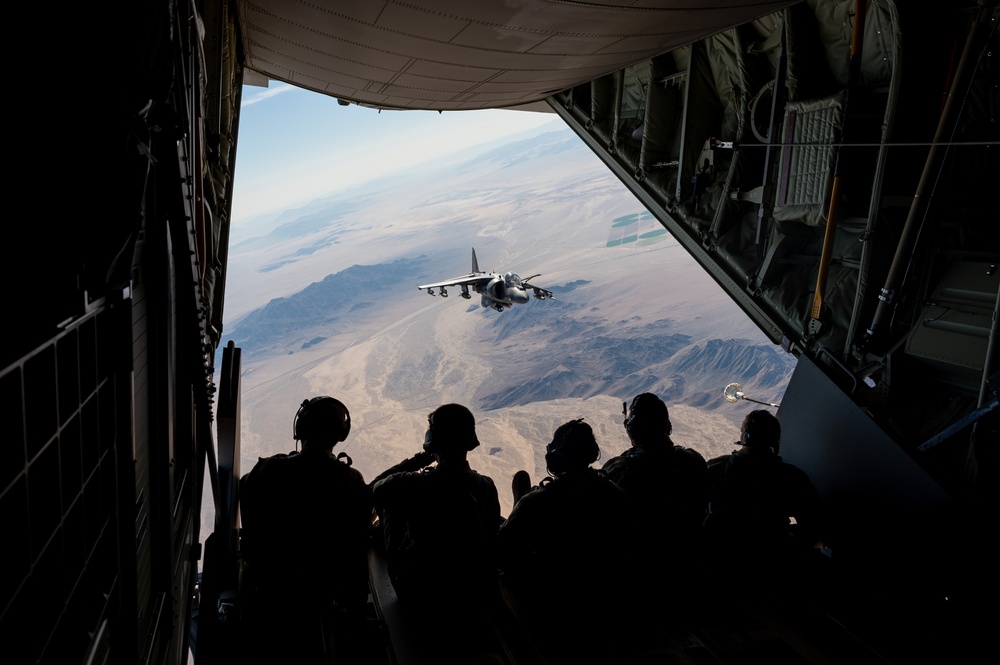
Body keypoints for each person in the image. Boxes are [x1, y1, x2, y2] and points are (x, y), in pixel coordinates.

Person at [239, 396, 373, 665]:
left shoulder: (268, 469)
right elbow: (358, 541)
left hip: (268, 594)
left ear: (300, 429)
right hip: (322, 596)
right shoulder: (349, 479)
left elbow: (249, 505)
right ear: (339, 435)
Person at [498, 419, 640, 664]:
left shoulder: (537, 502)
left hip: (553, 606)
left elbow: (503, 552)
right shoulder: (614, 494)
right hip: (606, 602)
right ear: (592, 454)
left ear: (555, 458)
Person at [371, 403, 503, 664]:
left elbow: (376, 489)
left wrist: (419, 460)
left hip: (422, 594)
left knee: (391, 504)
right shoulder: (486, 485)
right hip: (473, 593)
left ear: (432, 440)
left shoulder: (411, 484)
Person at [703, 409, 820, 576]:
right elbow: (811, 526)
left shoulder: (715, 467)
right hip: (771, 566)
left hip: (718, 562)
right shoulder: (793, 478)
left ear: (745, 437)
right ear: (775, 442)